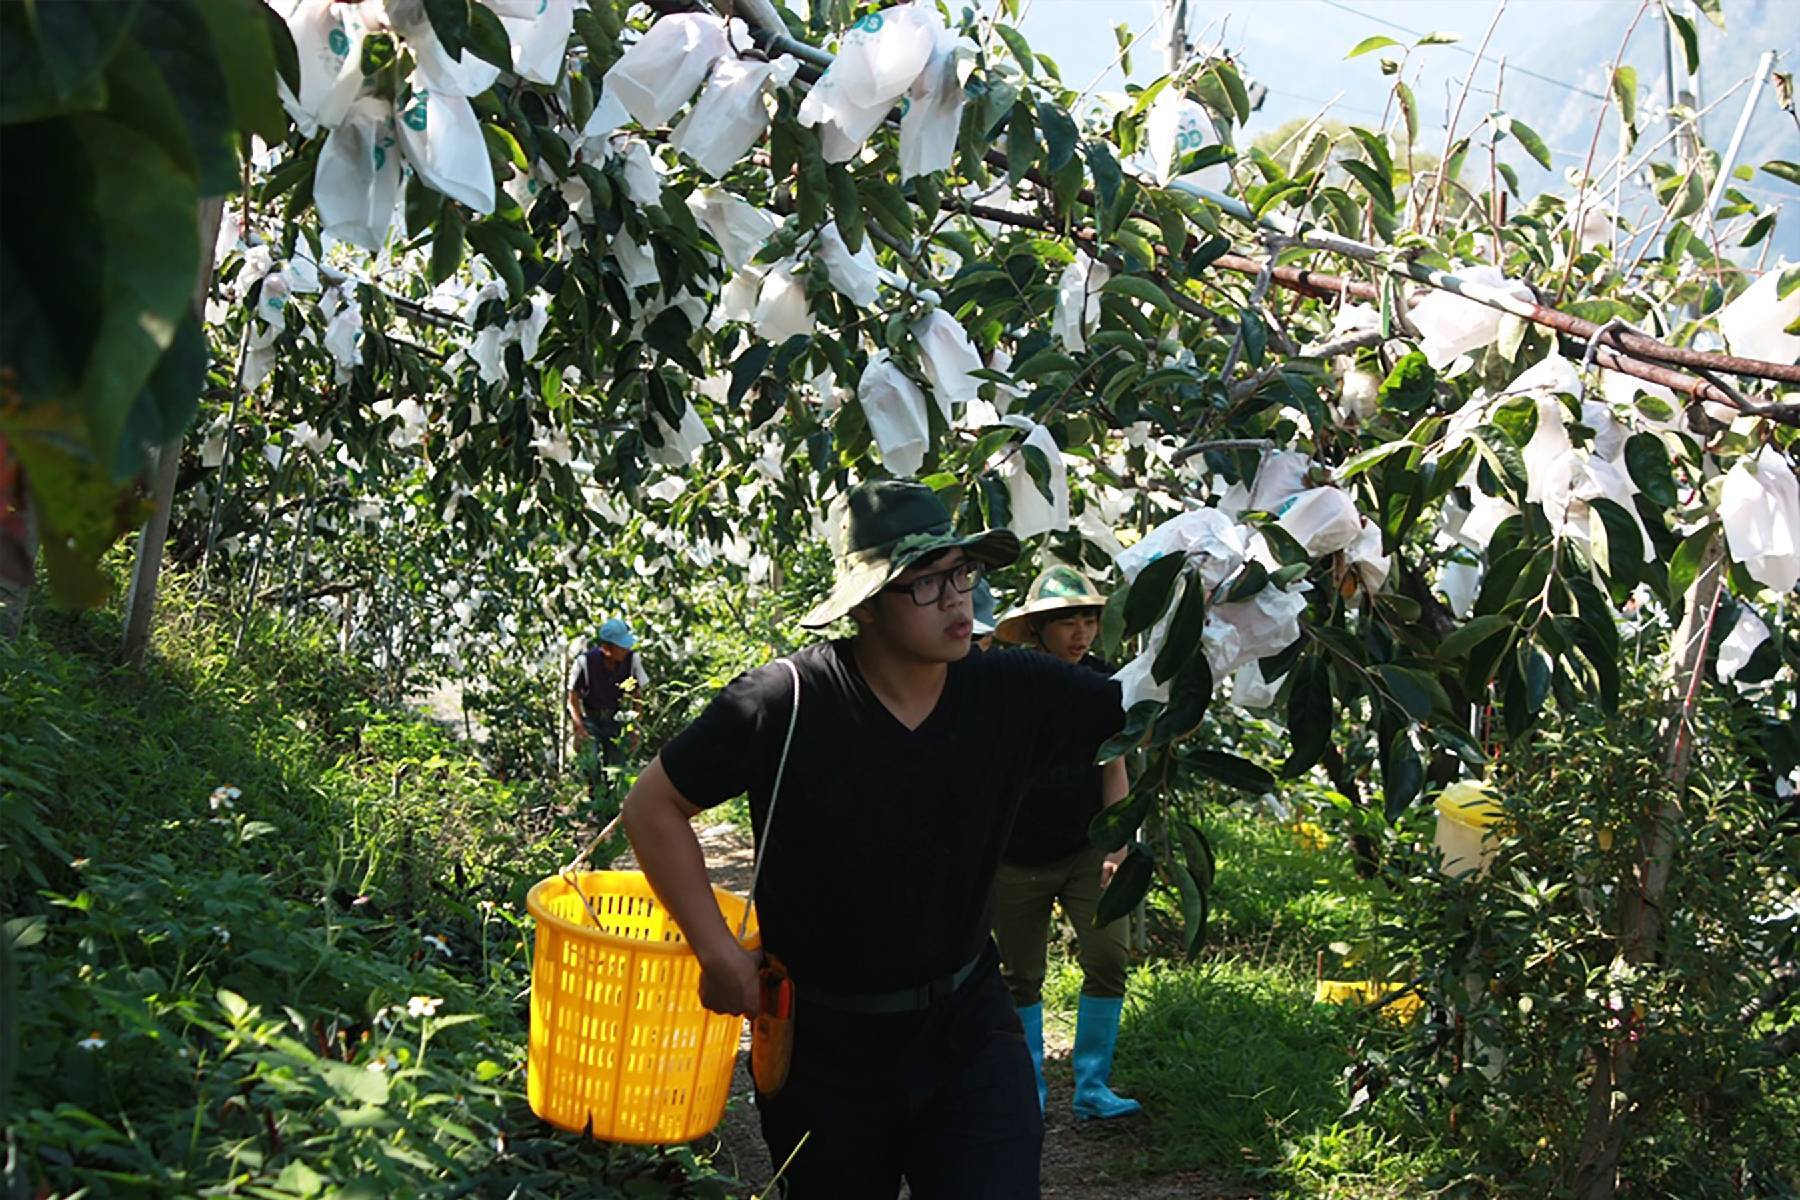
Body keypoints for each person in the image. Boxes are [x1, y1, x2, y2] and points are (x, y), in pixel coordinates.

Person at [621, 480, 1126, 1199]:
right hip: (822, 1044)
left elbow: (1143, 709)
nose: (956, 598)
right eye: (923, 583)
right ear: (864, 604)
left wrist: (1226, 605)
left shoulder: (1012, 690)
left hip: (967, 1024)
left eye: (960, 573)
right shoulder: (786, 703)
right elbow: (652, 805)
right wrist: (716, 950)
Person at [992, 566, 1142, 1120]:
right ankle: (1024, 1090)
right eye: (1066, 622)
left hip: (1086, 848)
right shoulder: (1008, 688)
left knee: (1108, 958)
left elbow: (1114, 766)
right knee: (1020, 975)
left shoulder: (1104, 687)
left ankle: (1093, 1087)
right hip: (1015, 857)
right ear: (1036, 630)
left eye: (1088, 619)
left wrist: (1116, 843)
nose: (1080, 632)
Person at [567, 617, 651, 794]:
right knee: (590, 762)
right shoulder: (584, 663)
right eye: (621, 646)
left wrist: (634, 728)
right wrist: (579, 727)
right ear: (606, 648)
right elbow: (572, 698)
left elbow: (638, 696)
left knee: (617, 767)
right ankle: (595, 798)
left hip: (617, 718)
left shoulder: (632, 660)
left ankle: (614, 804)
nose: (626, 650)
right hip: (592, 718)